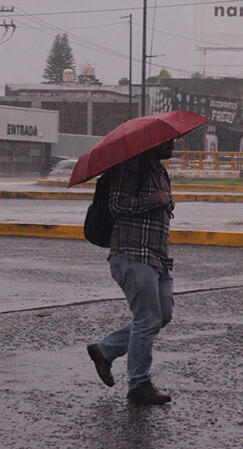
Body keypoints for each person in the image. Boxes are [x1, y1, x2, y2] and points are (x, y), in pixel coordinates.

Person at [87, 140, 175, 405]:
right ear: (154, 142)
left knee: (161, 315)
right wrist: (155, 199)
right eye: (168, 141)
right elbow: (118, 205)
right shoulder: (129, 167)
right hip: (132, 254)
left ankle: (105, 350)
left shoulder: (159, 171)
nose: (173, 144)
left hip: (157, 257)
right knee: (147, 319)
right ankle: (139, 384)